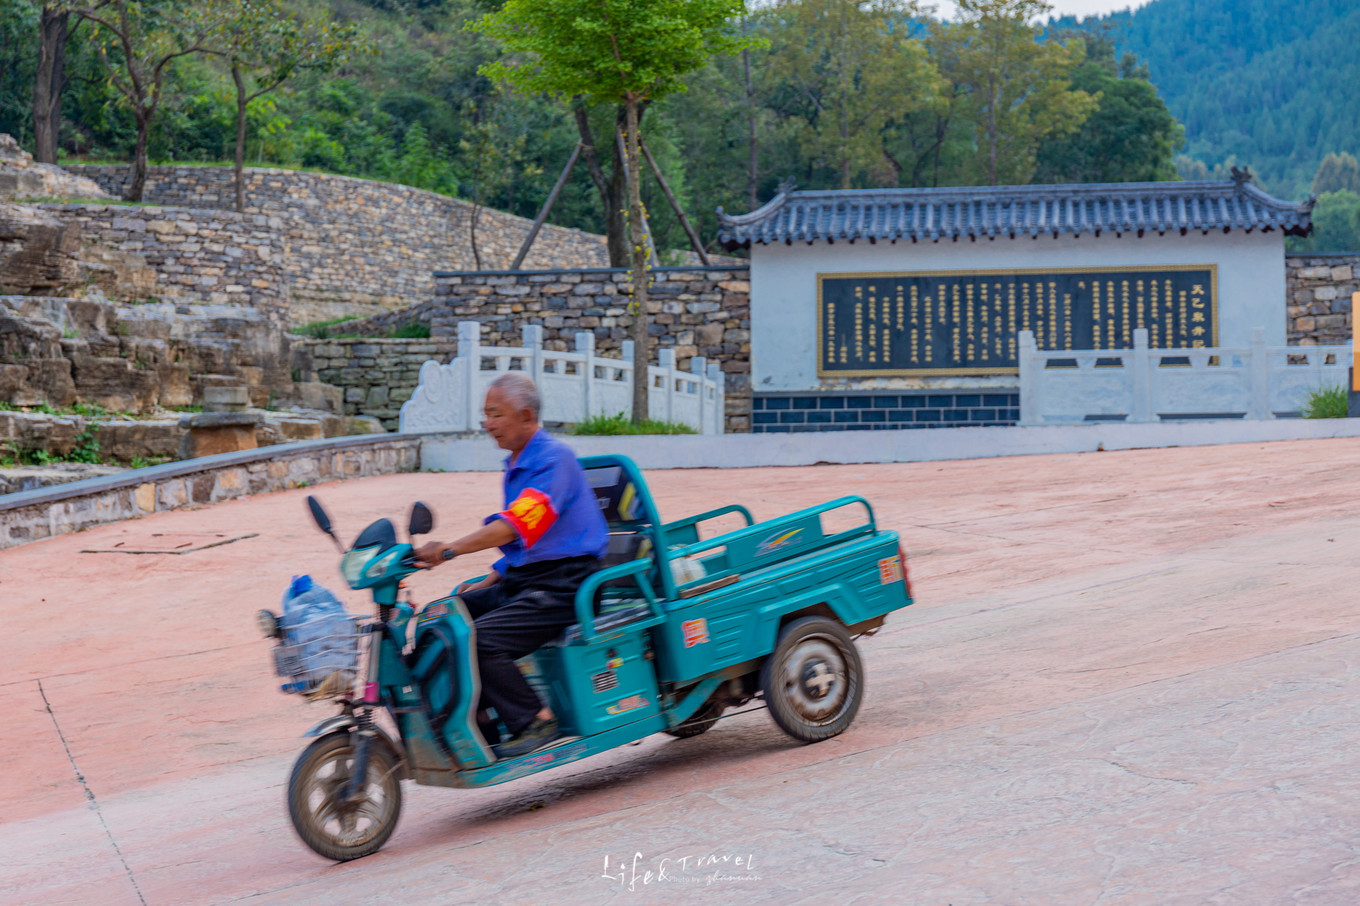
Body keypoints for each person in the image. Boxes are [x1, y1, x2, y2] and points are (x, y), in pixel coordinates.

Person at [414, 372, 608, 758]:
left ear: (524, 415)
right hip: (530, 580)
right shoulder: (518, 462)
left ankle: (536, 719)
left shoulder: (554, 460)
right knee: (443, 618)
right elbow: (532, 539)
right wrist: (496, 573)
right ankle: (480, 723)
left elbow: (516, 524)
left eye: (494, 414)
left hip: (567, 586)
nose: (486, 424)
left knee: (480, 639)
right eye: (485, 414)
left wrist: (450, 550)